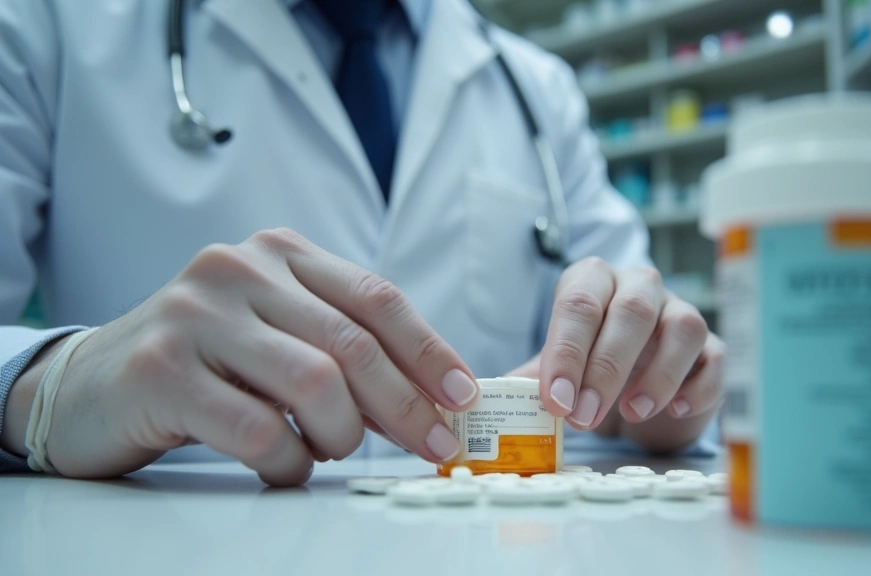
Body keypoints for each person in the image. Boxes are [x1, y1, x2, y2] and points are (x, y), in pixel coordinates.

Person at [0, 0, 724, 486]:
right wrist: (54, 387)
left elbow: (630, 325)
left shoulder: (538, 88)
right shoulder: (46, 21)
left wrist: (654, 389)